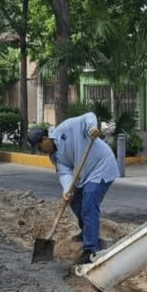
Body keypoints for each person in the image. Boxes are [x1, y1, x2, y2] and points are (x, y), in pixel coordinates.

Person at [27, 112, 119, 265]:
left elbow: (88, 116)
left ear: (45, 139)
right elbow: (64, 173)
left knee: (89, 205)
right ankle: (88, 233)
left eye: (39, 147)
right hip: (85, 174)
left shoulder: (66, 128)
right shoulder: (54, 157)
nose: (40, 151)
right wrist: (66, 191)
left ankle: (91, 250)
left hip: (101, 167)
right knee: (75, 200)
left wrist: (91, 128)